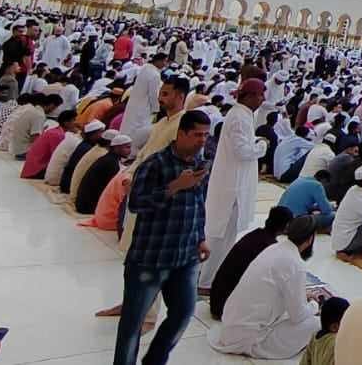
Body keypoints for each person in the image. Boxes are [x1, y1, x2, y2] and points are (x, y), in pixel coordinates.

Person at [112, 109, 212, 365]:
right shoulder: (156, 164)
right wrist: (175, 187)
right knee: (132, 324)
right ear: (181, 134)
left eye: (205, 135)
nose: (202, 140)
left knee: (182, 313)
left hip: (186, 255)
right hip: (151, 257)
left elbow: (198, 203)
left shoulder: (199, 163)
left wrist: (200, 237)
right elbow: (135, 203)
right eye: (197, 135)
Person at [207, 216, 322, 359]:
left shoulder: (273, 249)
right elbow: (298, 316)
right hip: (251, 340)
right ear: (310, 239)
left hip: (230, 328)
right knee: (318, 323)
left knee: (290, 312)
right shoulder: (295, 264)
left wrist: (303, 298)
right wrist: (314, 305)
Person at [200, 79, 267, 292]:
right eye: (260, 95)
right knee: (220, 235)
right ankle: (206, 281)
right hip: (232, 188)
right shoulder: (239, 117)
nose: (262, 99)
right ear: (248, 96)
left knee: (224, 235)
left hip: (233, 185)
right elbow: (243, 152)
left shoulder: (243, 115)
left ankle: (212, 277)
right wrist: (262, 145)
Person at [207, 207, 292, 321]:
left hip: (217, 299)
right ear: (286, 226)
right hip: (227, 307)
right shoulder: (270, 247)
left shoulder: (255, 234)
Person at [73, 133, 130, 216]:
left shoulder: (109, 158)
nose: (130, 150)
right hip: (88, 207)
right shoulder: (111, 163)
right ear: (116, 148)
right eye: (127, 147)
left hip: (83, 204)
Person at [295, 296, 348, 365]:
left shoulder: (315, 336)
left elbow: (305, 361)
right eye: (347, 322)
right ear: (334, 327)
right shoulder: (336, 343)